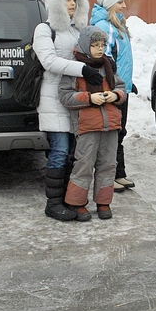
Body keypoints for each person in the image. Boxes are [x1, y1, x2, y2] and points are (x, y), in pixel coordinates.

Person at [35, 0, 100, 221]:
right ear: (55, 1)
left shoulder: (77, 30)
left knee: (75, 152)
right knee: (60, 150)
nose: (72, 4)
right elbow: (49, 61)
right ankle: (53, 203)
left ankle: (71, 201)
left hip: (76, 98)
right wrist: (83, 69)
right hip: (53, 99)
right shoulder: (45, 30)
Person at [59, 25, 128, 221]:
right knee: (84, 165)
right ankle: (77, 203)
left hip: (110, 124)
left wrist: (115, 95)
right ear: (85, 45)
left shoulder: (107, 65)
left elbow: (121, 87)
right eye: (95, 45)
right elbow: (65, 96)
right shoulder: (74, 68)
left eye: (102, 45)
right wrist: (89, 98)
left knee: (108, 165)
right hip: (87, 126)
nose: (100, 49)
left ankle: (103, 202)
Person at [90, 0, 136, 193]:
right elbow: (104, 60)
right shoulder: (105, 27)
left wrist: (127, 83)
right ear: (109, 4)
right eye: (120, 2)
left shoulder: (116, 24)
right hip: (112, 89)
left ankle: (119, 173)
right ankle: (109, 177)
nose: (124, 5)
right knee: (112, 133)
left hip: (121, 88)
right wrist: (112, 85)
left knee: (119, 131)